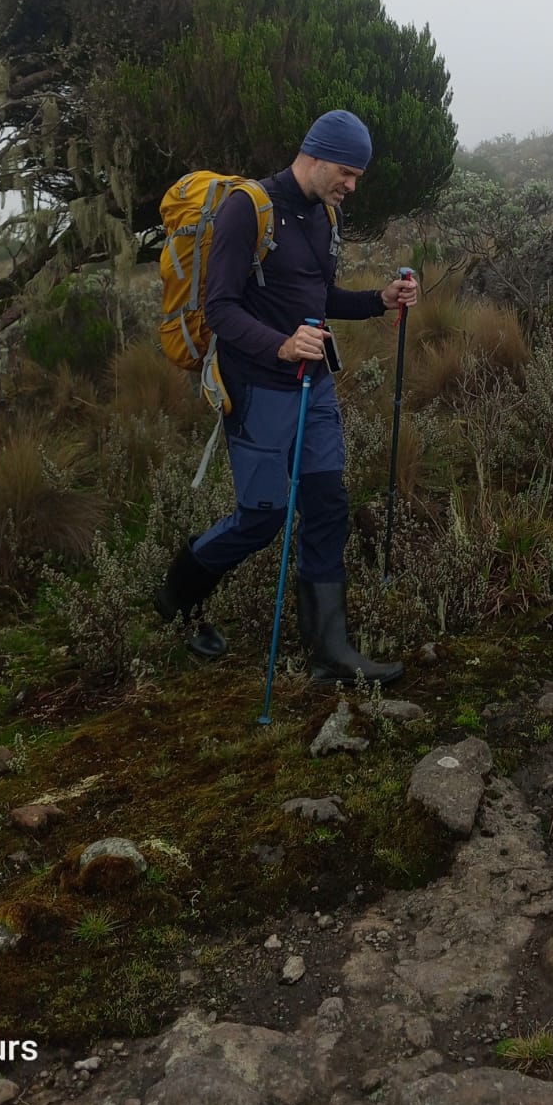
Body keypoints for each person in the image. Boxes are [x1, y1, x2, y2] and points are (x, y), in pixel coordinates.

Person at [153, 110, 416, 684]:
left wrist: (380, 299)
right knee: (263, 516)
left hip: (313, 385)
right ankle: (176, 597)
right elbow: (221, 307)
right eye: (346, 172)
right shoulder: (248, 209)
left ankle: (331, 655)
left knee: (327, 503)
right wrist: (281, 345)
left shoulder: (324, 214)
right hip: (257, 390)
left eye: (358, 176)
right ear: (315, 156)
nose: (352, 186)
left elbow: (318, 297)